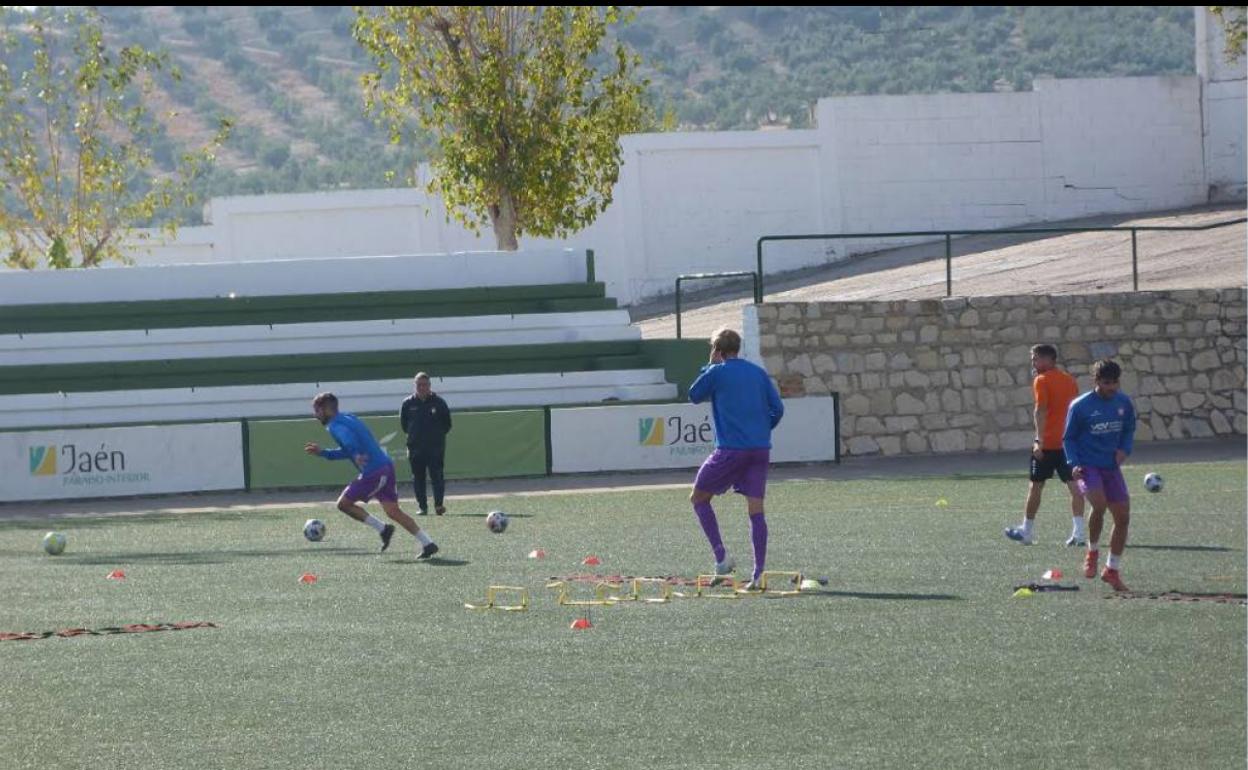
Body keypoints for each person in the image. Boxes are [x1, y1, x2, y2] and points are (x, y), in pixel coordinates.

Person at [687, 328, 784, 591]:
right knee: (756, 510)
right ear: (738, 348)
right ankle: (758, 573)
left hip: (730, 449)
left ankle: (721, 558)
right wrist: (762, 429)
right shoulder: (757, 372)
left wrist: (709, 366)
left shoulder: (717, 372)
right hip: (760, 449)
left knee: (698, 497)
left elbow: (693, 395)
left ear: (717, 350)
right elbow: (778, 409)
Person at [304, 392, 439, 560]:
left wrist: (356, 453)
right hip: (385, 466)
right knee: (393, 511)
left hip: (374, 471)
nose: (315, 414)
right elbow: (348, 448)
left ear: (326, 410)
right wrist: (325, 453)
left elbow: (349, 442)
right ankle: (428, 543)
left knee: (343, 504)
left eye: (317, 410)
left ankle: (383, 529)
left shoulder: (334, 426)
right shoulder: (348, 417)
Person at [1063, 360, 1135, 591]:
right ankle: (1092, 552)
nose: (1111, 387)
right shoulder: (1080, 406)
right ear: (1096, 381)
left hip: (1110, 466)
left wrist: (1124, 449)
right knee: (1100, 505)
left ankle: (1111, 570)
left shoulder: (1124, 402)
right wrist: (1073, 463)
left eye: (1115, 382)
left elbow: (1128, 429)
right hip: (1087, 466)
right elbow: (1069, 438)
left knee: (1123, 516)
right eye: (1106, 383)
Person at [1005, 344, 1087, 546]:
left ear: (1048, 360)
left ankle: (1027, 531)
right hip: (1069, 444)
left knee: (1036, 486)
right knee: (1074, 487)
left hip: (1048, 443)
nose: (1033, 362)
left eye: (1035, 358)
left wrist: (1038, 441)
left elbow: (1040, 410)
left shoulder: (1041, 380)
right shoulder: (1069, 380)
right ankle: (1079, 534)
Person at [399, 372, 453, 515]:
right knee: (418, 478)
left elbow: (447, 424)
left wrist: (436, 438)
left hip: (435, 448)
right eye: (419, 385)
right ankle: (422, 507)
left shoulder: (439, 402)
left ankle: (439, 506)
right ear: (415, 386)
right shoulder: (407, 403)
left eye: (425, 385)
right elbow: (404, 426)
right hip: (415, 448)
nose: (422, 387)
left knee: (437, 476)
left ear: (429, 386)